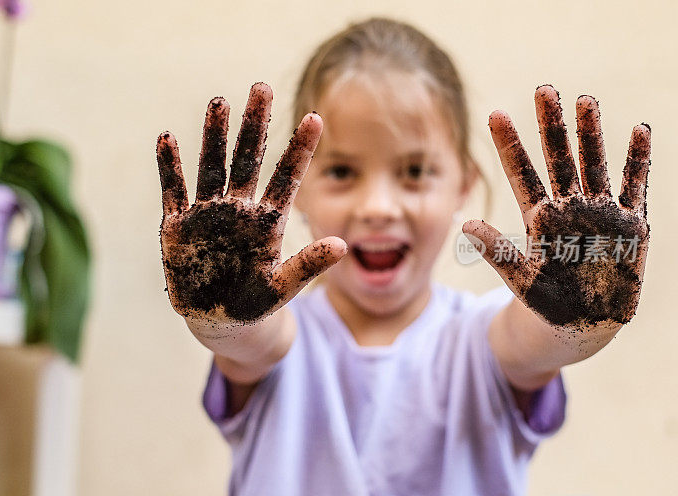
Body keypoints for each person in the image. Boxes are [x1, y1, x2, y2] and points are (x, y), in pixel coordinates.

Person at [156, 17, 651, 496]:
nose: (378, 207)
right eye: (342, 172)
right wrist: (221, 310)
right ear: (295, 191)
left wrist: (581, 314)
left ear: (464, 185)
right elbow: (246, 341)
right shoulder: (280, 335)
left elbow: (540, 343)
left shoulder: (480, 343)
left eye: (414, 170)